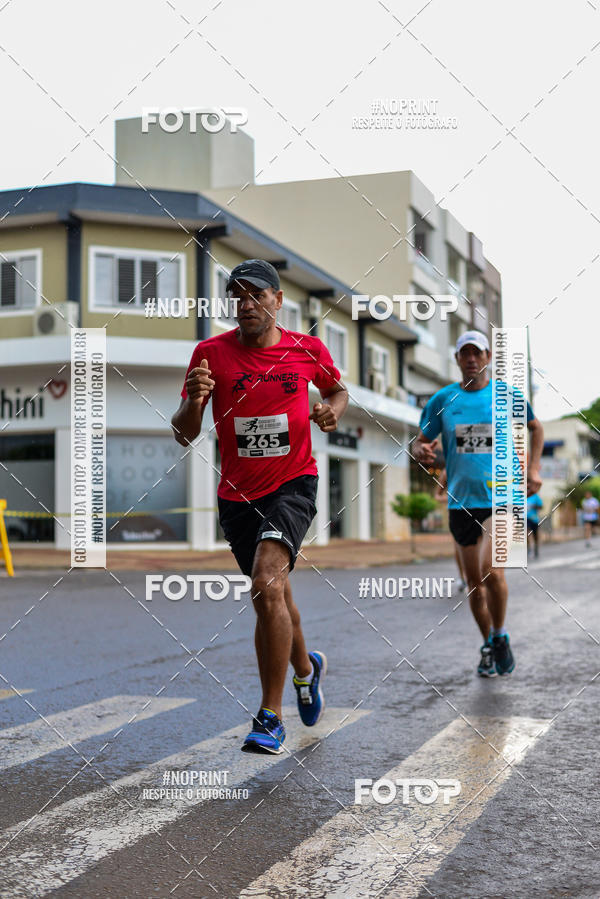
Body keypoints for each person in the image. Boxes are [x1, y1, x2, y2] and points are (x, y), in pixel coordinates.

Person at [171, 259, 348, 753]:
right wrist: (193, 400)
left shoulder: (306, 349)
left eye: (257, 296)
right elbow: (185, 433)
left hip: (294, 483)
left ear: (277, 300)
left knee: (266, 580)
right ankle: (306, 671)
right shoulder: (210, 354)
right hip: (238, 496)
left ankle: (270, 716)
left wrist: (330, 411)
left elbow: (337, 389)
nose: (246, 305)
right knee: (276, 594)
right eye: (238, 296)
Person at [413, 330, 544, 677]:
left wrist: (534, 468)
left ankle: (500, 635)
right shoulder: (442, 399)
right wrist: (422, 451)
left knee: (491, 570)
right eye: (464, 353)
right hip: (460, 502)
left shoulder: (506, 395)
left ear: (487, 357)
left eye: (477, 352)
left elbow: (536, 427)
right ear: (457, 359)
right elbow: (421, 442)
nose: (471, 358)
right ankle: (488, 642)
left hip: (502, 498)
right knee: (474, 584)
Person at [433, 466, 466, 592]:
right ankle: (462, 577)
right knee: (459, 547)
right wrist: (450, 499)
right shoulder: (447, 472)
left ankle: (476, 576)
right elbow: (437, 495)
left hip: (478, 511)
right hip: (457, 513)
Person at [526, 492, 543, 558]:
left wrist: (533, 506)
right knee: (526, 534)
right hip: (526, 518)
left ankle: (536, 548)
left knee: (535, 535)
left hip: (534, 519)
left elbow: (541, 506)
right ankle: (528, 548)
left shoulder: (535, 496)